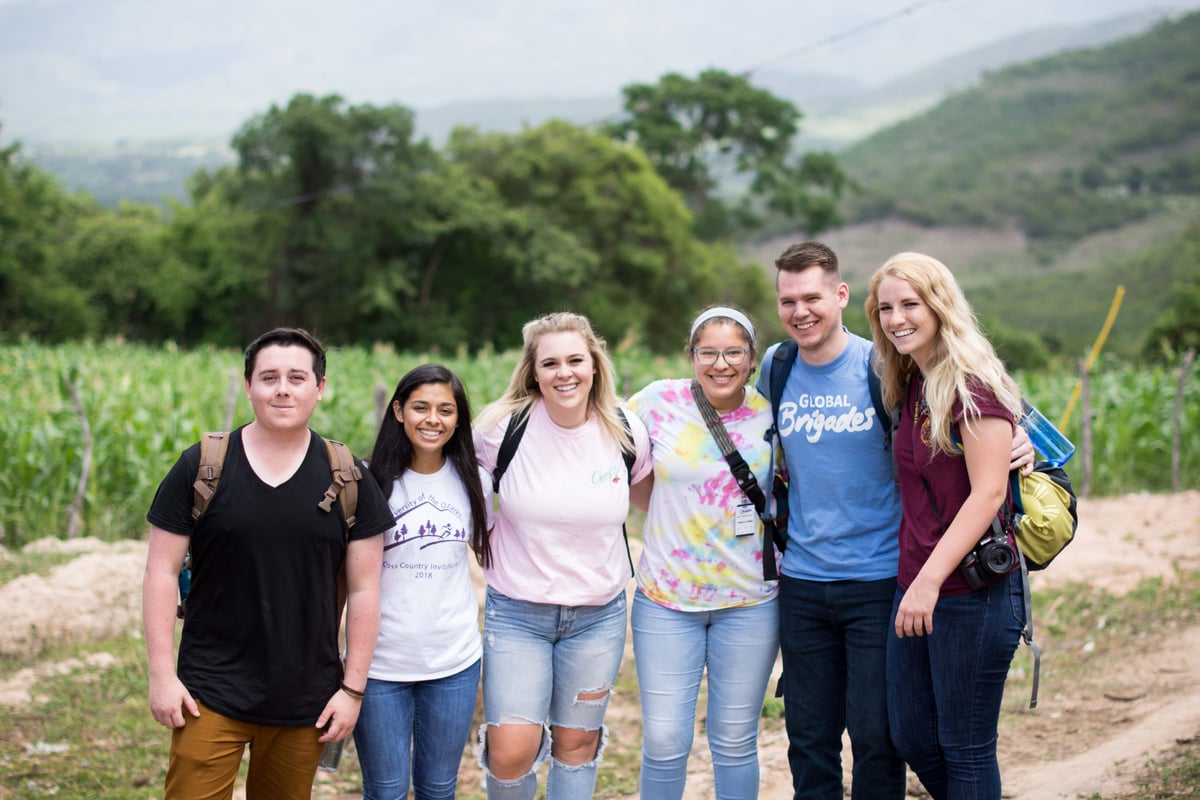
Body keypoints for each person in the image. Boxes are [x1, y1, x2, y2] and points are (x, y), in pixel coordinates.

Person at [755, 242, 1031, 800]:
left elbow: (991, 453)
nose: (800, 311)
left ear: (840, 295)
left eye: (812, 297)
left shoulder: (903, 370)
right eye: (788, 301)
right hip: (820, 580)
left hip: (904, 580)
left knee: (896, 739)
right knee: (845, 736)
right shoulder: (789, 369)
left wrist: (1021, 440)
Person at [141, 327, 393, 800]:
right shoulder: (201, 466)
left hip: (305, 695)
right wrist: (161, 675)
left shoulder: (349, 478)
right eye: (269, 377)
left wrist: (352, 690)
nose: (282, 389)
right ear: (248, 386)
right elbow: (161, 571)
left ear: (319, 387)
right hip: (207, 692)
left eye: (297, 378)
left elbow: (365, 589)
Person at [865, 252, 1026, 799]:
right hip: (916, 585)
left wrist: (928, 582)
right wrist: (917, 583)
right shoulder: (913, 381)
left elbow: (989, 492)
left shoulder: (972, 384)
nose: (896, 319)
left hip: (970, 592)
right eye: (886, 308)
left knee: (965, 747)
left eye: (910, 304)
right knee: (913, 736)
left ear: (939, 306)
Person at [472, 311, 652, 800]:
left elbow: (656, 500)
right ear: (533, 372)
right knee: (511, 751)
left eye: (575, 360)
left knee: (577, 743)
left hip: (598, 618)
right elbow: (461, 488)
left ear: (594, 364)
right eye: (550, 363)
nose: (564, 373)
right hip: (518, 614)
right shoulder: (500, 429)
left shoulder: (626, 430)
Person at [626, 305, 779, 800]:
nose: (721, 364)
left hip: (750, 601)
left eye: (734, 353)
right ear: (691, 356)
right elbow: (613, 452)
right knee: (664, 741)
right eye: (708, 353)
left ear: (752, 358)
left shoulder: (770, 410)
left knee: (734, 740)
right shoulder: (656, 401)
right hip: (666, 601)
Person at [354, 364, 493, 800]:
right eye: (421, 407)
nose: (433, 419)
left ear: (458, 418)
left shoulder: (476, 482)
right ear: (398, 411)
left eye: (445, 410)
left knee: (438, 788)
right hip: (379, 666)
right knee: (386, 790)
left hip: (452, 663)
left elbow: (494, 554)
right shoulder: (367, 480)